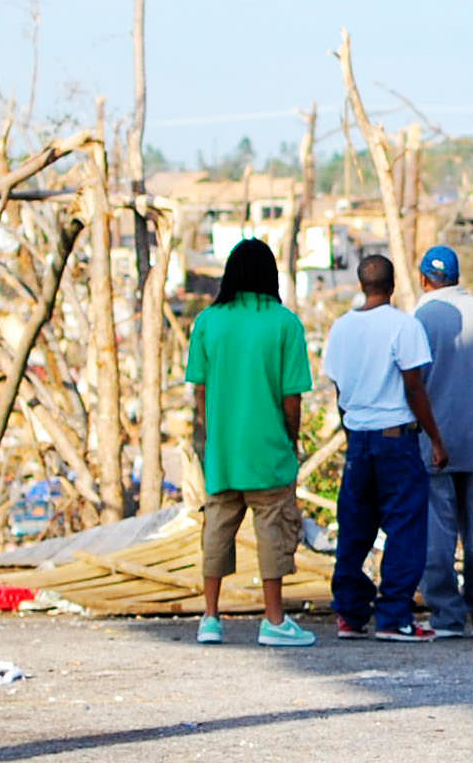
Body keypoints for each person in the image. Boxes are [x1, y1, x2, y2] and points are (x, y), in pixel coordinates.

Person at [185, 238, 316, 647]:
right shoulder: (285, 323)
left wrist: (213, 433)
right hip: (268, 450)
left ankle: (210, 617)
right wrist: (291, 437)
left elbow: (200, 392)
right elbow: (291, 397)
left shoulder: (208, 322)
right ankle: (274, 621)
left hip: (223, 453)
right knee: (274, 533)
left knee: (216, 532)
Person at [323, 254, 450, 642]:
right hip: (396, 436)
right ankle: (394, 616)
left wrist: (353, 426)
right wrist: (436, 438)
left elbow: (340, 389)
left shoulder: (341, 328)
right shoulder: (403, 326)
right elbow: (414, 386)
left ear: (361, 285)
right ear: (393, 285)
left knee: (355, 527)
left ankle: (350, 613)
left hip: (358, 437)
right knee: (405, 526)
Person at [412, 245, 473, 639]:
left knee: (437, 533)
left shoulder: (420, 317)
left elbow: (412, 383)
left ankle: (446, 616)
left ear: (424, 278)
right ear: (457, 276)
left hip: (432, 438)